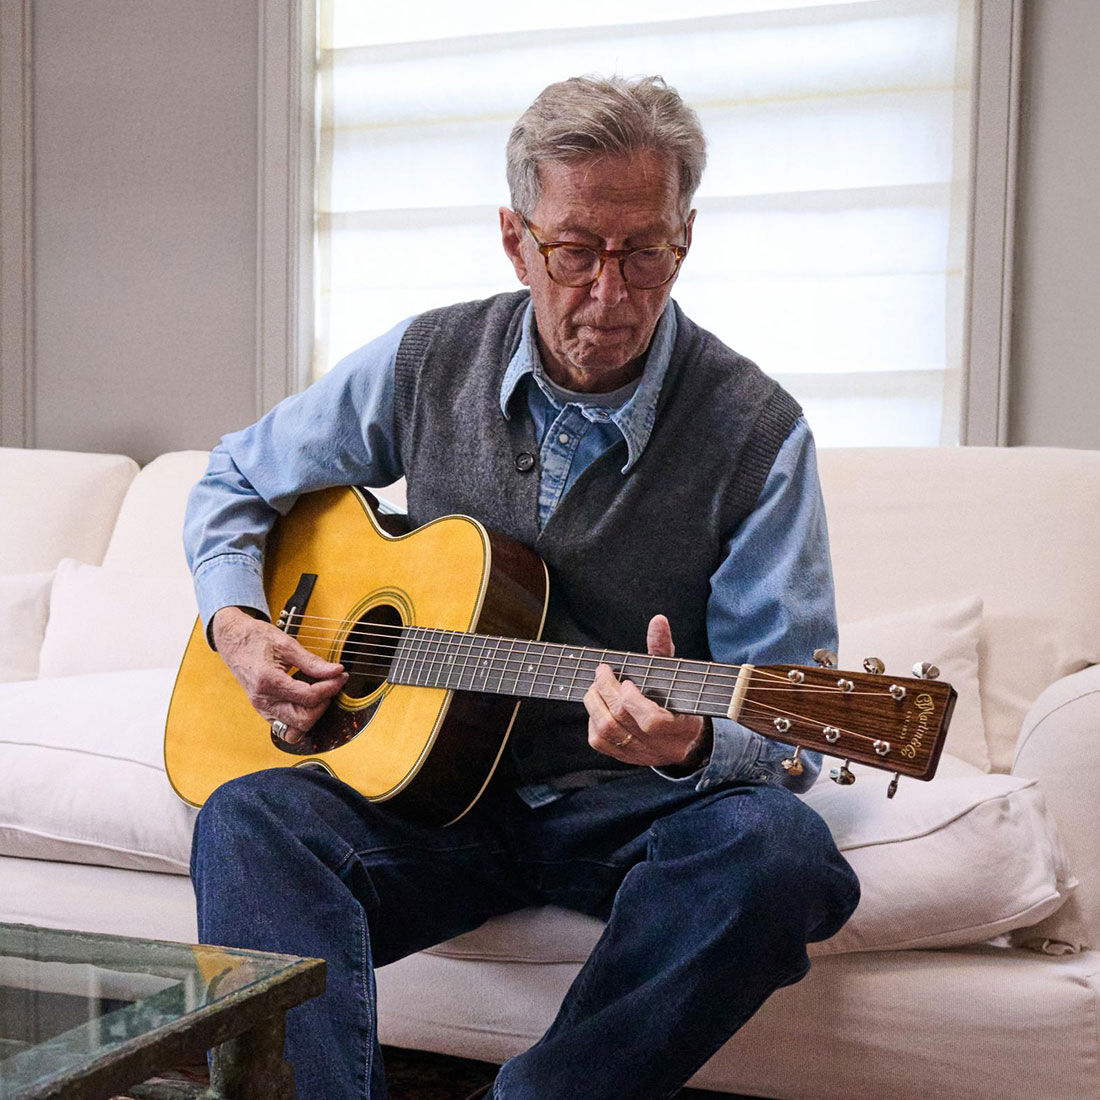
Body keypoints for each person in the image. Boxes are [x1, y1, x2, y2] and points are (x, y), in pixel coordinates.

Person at [185, 74, 860, 1100]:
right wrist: (236, 622)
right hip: (428, 801)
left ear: (684, 237)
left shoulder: (757, 432)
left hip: (624, 810)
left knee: (780, 854)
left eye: (645, 253)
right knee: (248, 817)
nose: (609, 293)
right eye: (575, 250)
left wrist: (687, 740)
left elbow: (793, 718)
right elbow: (236, 474)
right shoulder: (425, 358)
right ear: (515, 239)